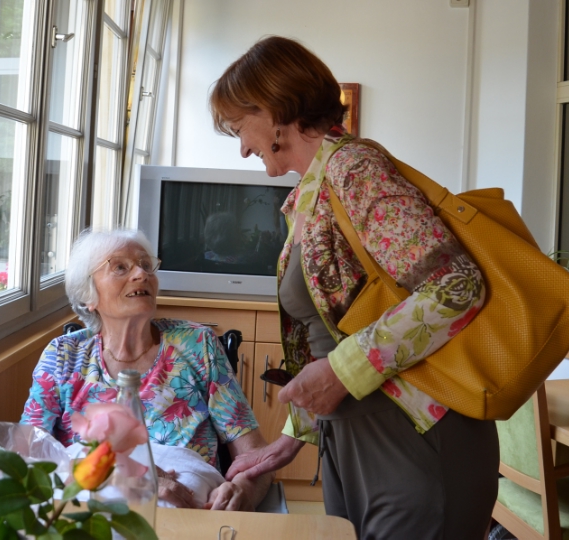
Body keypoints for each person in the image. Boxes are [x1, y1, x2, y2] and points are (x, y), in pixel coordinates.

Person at [210, 36, 499, 539]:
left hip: (415, 439)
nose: (242, 148)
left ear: (273, 108)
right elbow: (333, 336)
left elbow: (456, 286)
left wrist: (341, 373)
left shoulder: (355, 168)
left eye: (240, 129)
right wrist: (291, 439)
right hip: (352, 440)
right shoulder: (310, 192)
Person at [20, 228, 272, 511]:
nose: (141, 274)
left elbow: (256, 455)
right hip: (91, 516)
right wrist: (120, 474)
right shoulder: (63, 356)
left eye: (146, 265)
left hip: (188, 514)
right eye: (120, 267)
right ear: (89, 295)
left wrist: (243, 491)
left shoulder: (198, 345)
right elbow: (27, 456)